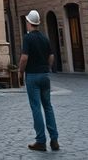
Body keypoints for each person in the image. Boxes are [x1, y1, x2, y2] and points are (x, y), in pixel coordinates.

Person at [18, 10, 60, 152]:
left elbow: (24, 58)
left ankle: (41, 141)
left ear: (29, 23)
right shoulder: (45, 38)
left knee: (36, 107)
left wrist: (20, 72)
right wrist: (46, 67)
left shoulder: (28, 38)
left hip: (33, 76)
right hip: (45, 76)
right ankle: (54, 140)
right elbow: (51, 57)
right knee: (48, 107)